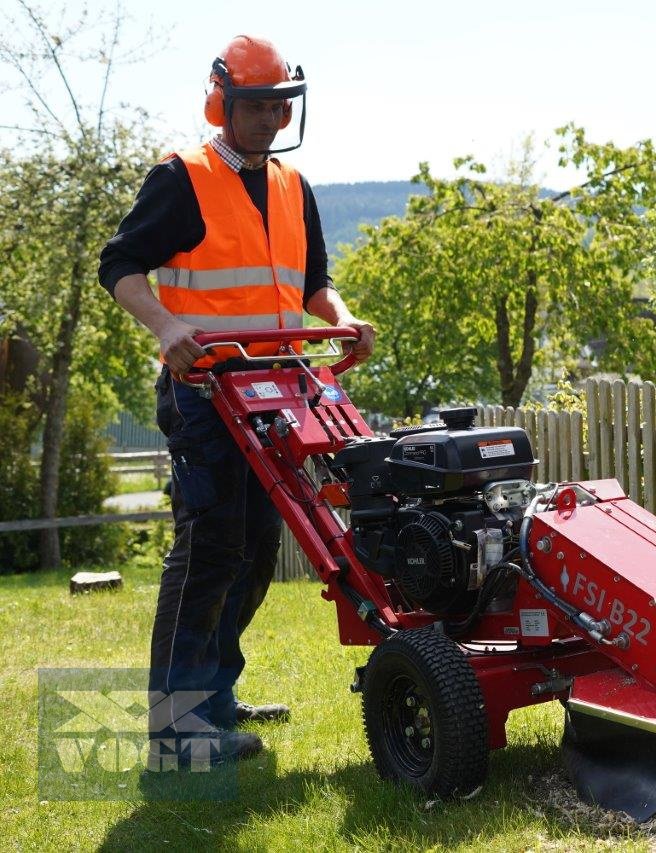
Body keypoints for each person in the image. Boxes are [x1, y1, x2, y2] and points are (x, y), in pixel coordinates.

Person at [98, 35, 375, 768]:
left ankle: (214, 698)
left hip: (278, 393)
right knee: (209, 549)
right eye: (255, 105)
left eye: (279, 105)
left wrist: (339, 318)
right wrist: (167, 326)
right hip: (203, 395)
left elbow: (313, 281)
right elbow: (119, 265)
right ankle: (175, 728)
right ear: (223, 101)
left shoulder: (292, 185)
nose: (268, 119)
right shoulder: (182, 178)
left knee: (255, 551)